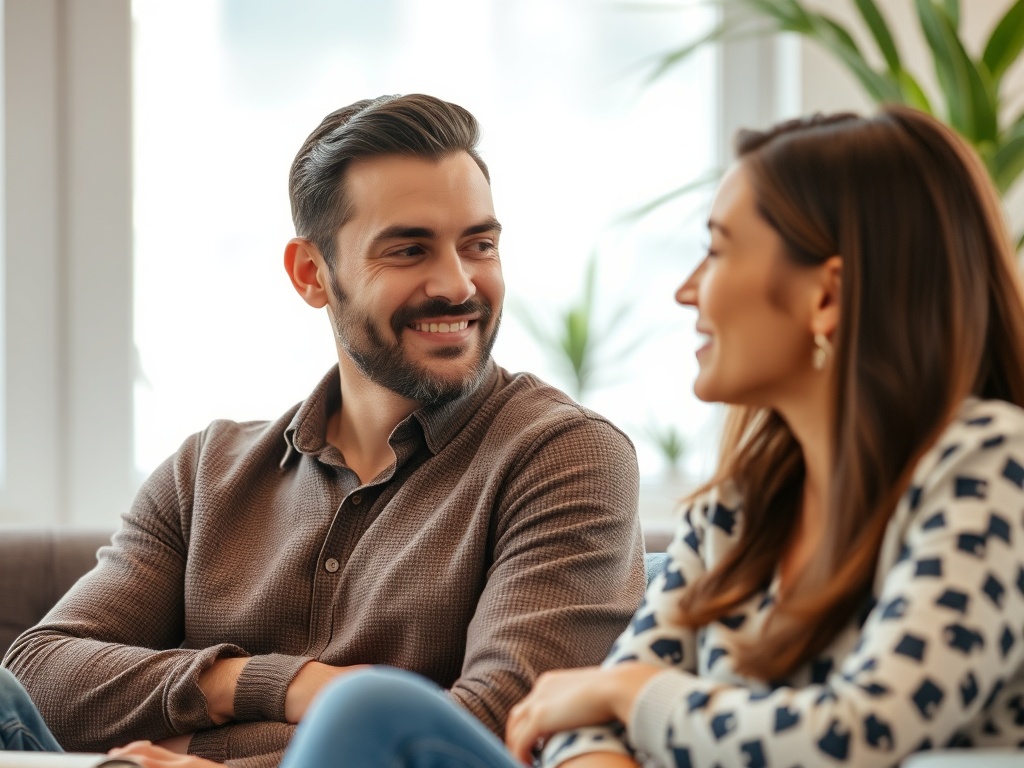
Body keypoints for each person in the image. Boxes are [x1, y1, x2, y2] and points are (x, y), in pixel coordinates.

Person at [227, 104, 1024, 768]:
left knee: (368, 712)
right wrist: (606, 722)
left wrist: (631, 699)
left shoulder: (990, 470)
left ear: (826, 298)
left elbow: (864, 728)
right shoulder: (746, 505)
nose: (685, 290)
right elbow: (570, 713)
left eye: (718, 249)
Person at [1, 94, 646, 767]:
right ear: (312, 274)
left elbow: (485, 730)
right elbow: (42, 672)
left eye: (479, 244)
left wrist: (197, 750)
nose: (459, 285)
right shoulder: (205, 471)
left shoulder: (567, 457)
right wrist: (282, 686)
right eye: (409, 250)